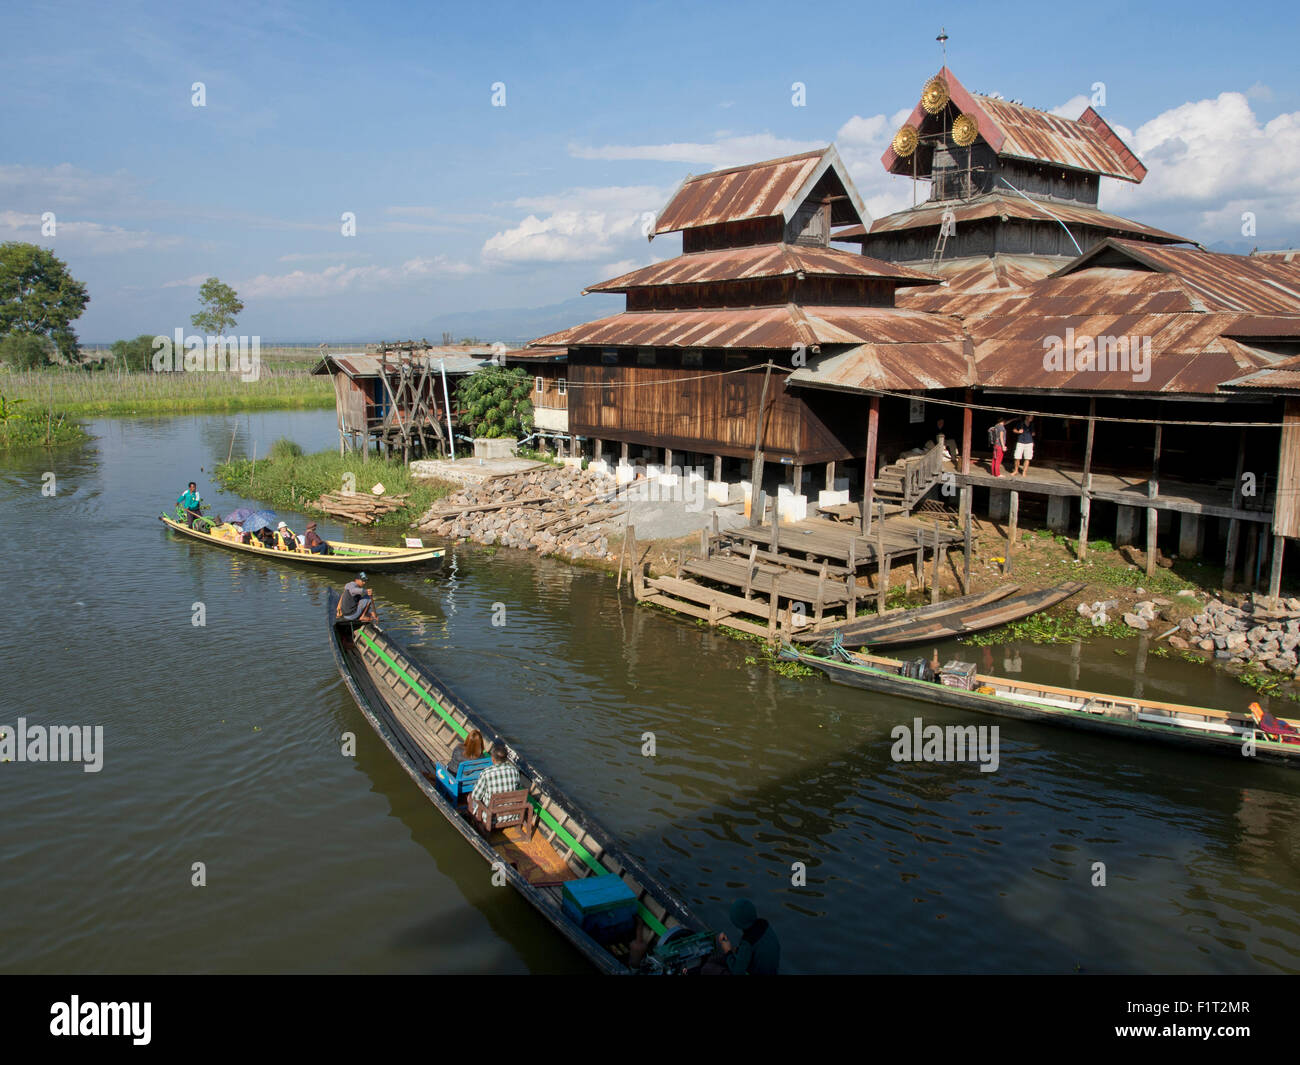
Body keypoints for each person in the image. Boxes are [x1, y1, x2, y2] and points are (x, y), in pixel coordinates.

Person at [702, 898, 780, 975]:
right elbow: (757, 949)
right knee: (713, 959)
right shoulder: (765, 925)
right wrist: (737, 950)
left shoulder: (748, 942)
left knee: (707, 969)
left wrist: (728, 951)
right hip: (769, 970)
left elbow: (737, 972)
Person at [467, 745, 520, 817]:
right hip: (511, 815)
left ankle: (472, 820)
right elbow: (516, 788)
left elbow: (476, 796)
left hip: (491, 817)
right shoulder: (515, 771)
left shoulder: (486, 773)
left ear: (493, 759)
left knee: (470, 797)